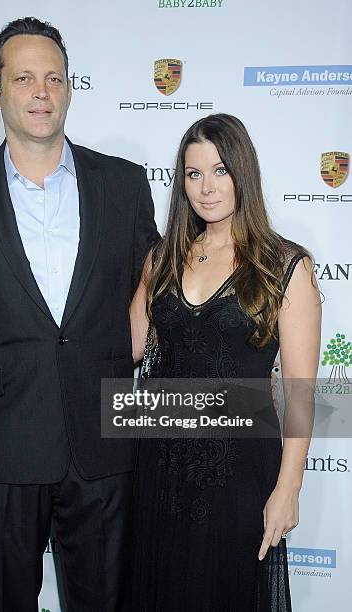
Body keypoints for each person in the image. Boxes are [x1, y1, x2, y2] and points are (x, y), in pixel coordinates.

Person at [0, 17, 158, 612]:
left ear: (71, 87)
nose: (41, 92)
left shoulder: (123, 185)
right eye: (23, 78)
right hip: (2, 444)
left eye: (53, 78)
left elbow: (158, 299)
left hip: (104, 444)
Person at [130, 113, 321, 610]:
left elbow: (300, 394)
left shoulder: (284, 265)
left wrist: (288, 489)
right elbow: (128, 347)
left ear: (244, 173)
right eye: (194, 174)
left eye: (220, 170)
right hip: (159, 468)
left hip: (238, 475)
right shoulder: (164, 257)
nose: (207, 187)